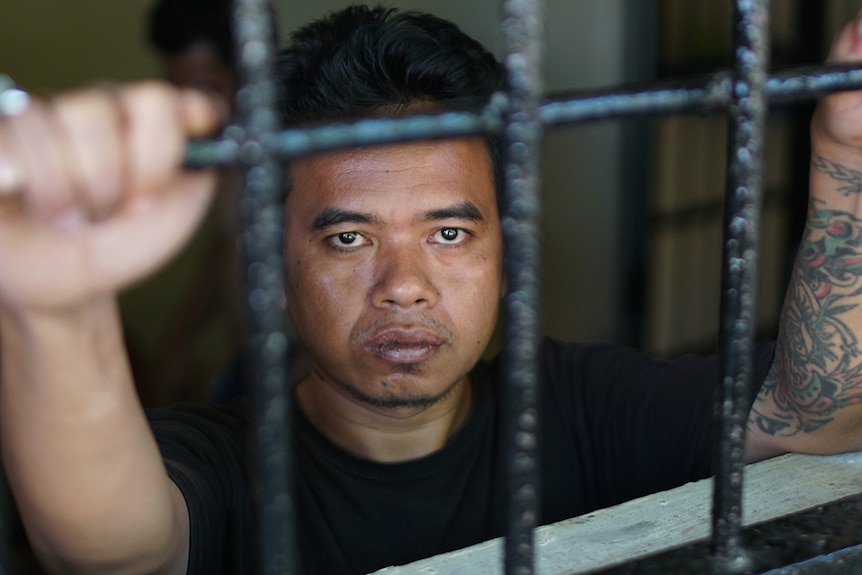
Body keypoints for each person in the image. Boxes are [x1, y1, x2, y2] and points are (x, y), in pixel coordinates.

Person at [1, 5, 862, 575]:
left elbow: (817, 419)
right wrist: (55, 301)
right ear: (274, 262)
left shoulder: (578, 404)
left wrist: (847, 153)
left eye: (449, 233)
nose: (404, 286)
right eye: (348, 236)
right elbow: (111, 552)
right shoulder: (227, 458)